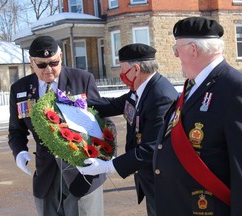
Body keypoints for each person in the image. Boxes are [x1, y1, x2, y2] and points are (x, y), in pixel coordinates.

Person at [153, 17, 242, 215]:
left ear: (193, 50)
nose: (175, 55)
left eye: (177, 49)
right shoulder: (195, 84)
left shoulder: (236, 89)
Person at [8, 35, 114, 216]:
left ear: (61, 58)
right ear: (31, 62)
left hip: (82, 172)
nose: (49, 69)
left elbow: (105, 123)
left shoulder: (82, 79)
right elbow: (16, 130)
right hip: (46, 176)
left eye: (54, 63)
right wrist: (19, 152)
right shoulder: (20, 88)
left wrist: (104, 157)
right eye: (41, 65)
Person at [76, 43, 178, 216]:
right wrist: (78, 103)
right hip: (149, 175)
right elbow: (114, 105)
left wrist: (108, 166)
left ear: (136, 69)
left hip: (164, 180)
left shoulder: (160, 96)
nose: (121, 75)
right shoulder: (142, 88)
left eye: (123, 70)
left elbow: (150, 148)